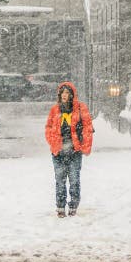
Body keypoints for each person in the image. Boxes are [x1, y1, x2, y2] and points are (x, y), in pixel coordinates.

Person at [44, 81, 93, 217]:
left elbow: (88, 127)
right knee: (60, 180)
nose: (64, 95)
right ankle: (60, 207)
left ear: (72, 95)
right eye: (62, 93)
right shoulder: (55, 110)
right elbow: (48, 127)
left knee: (74, 180)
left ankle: (73, 206)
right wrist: (53, 141)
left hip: (74, 152)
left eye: (67, 93)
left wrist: (84, 145)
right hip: (58, 152)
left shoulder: (80, 108)